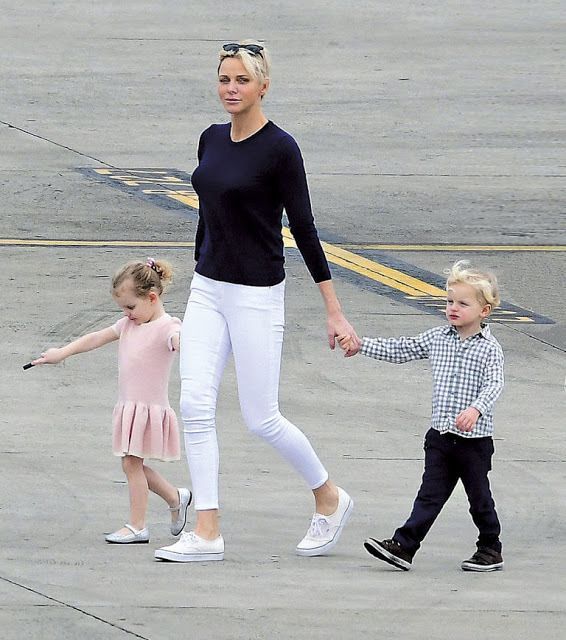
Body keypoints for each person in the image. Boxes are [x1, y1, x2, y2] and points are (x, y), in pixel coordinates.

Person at [154, 40, 358, 563]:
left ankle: (329, 497)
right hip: (208, 287)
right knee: (194, 405)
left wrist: (333, 309)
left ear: (263, 85)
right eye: (224, 79)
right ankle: (207, 531)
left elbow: (305, 228)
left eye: (242, 80)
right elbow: (209, 212)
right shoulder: (210, 138)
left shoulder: (280, 149)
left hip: (256, 295)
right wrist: (198, 263)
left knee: (260, 417)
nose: (231, 88)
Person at [338, 260, 505, 572]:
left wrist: (475, 409)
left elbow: (495, 384)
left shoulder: (489, 349)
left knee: (479, 499)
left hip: (473, 443)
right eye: (449, 301)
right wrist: (362, 346)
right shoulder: (438, 338)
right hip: (440, 438)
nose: (453, 308)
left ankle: (490, 547)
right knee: (429, 496)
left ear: (484, 311)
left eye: (463, 303)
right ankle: (404, 546)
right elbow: (402, 349)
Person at [32, 258, 192, 544]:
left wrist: (181, 343)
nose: (127, 313)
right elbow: (95, 338)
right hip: (130, 407)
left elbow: (176, 338)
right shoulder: (128, 325)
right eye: (123, 308)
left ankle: (138, 525)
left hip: (148, 410)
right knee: (132, 465)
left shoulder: (168, 326)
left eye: (131, 307)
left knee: (131, 464)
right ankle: (174, 496)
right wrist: (62, 353)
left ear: (152, 298)